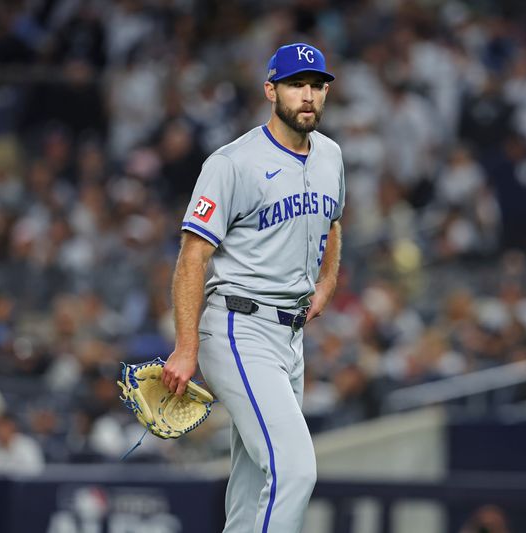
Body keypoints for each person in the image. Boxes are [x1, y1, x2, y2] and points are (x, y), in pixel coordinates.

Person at [161, 42, 344, 533]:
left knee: (251, 488)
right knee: (295, 470)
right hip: (238, 326)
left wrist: (327, 280)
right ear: (271, 90)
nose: (307, 95)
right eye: (295, 84)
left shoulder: (330, 155)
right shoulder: (233, 162)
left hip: (290, 338)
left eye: (316, 85)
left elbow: (333, 222)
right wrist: (185, 346)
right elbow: (191, 257)